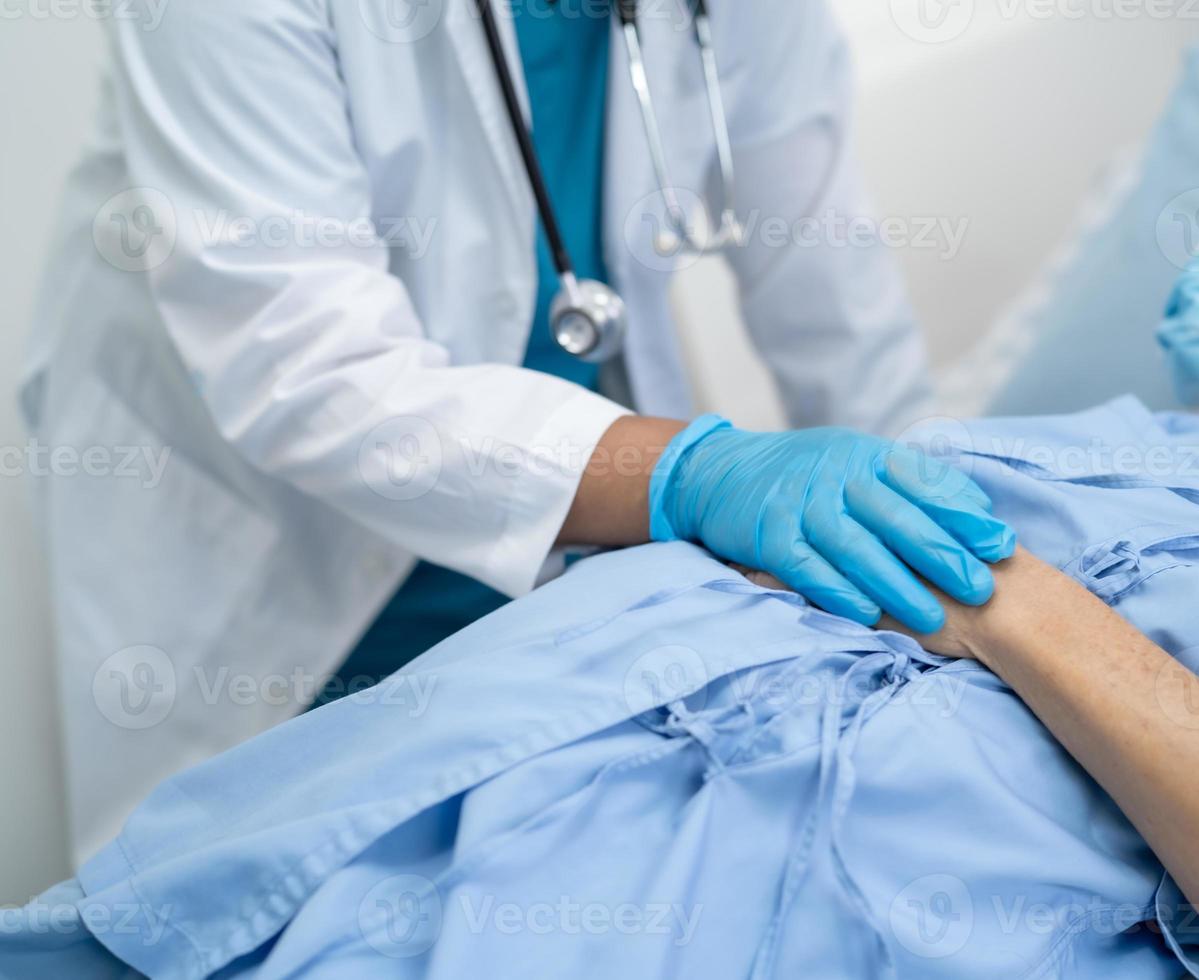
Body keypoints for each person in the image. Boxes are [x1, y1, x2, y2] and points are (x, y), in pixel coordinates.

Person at [8, 45, 1199, 980]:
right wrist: (708, 477)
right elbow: (305, 368)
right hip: (371, 790)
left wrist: (1011, 594)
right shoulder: (1051, 449)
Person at [17, 0, 1009, 862]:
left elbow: (829, 278)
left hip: (558, 548)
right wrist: (694, 468)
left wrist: (940, 491)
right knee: (284, 882)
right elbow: (305, 364)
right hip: (273, 550)